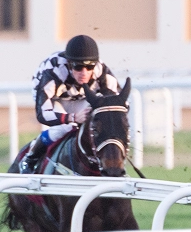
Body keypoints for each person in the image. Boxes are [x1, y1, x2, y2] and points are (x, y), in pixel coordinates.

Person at [20, 34, 121, 173]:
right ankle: (30, 158)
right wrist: (72, 117)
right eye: (78, 67)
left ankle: (108, 163)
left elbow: (117, 102)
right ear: (69, 63)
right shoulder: (54, 71)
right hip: (54, 99)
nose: (84, 73)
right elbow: (43, 114)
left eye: (89, 66)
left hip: (81, 98)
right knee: (65, 128)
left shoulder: (101, 70)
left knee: (96, 124)